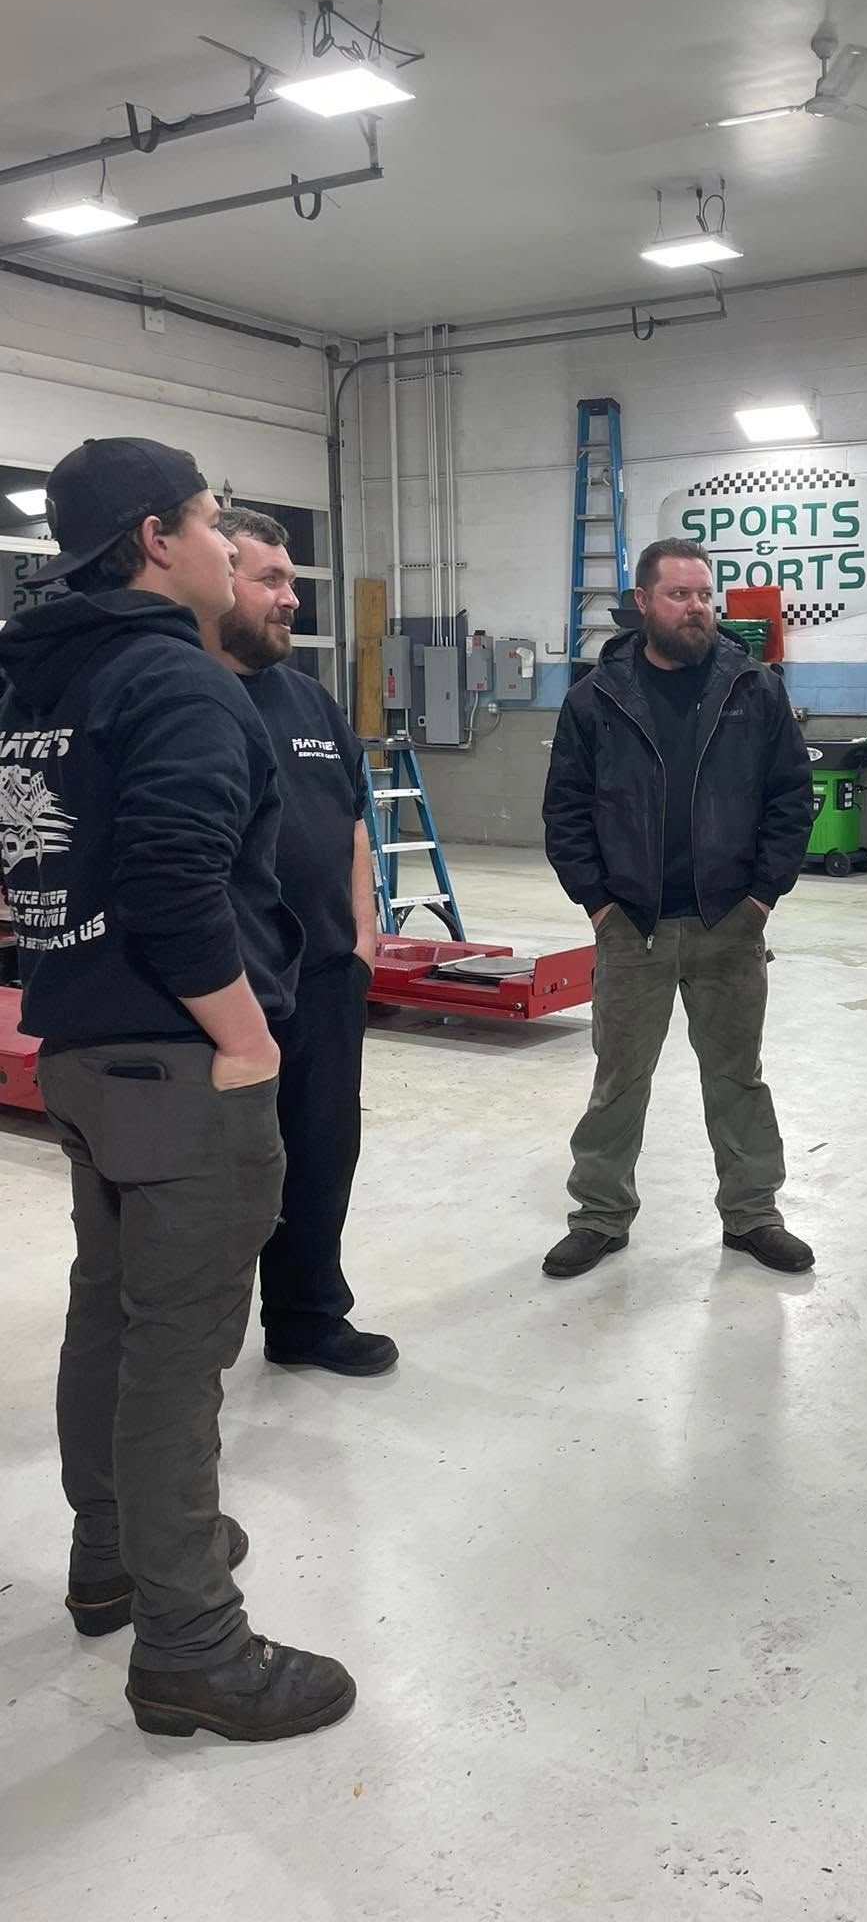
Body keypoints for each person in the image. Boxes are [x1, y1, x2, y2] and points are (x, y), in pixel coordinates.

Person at [0, 438, 355, 1741]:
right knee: (177, 1352)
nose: (224, 542)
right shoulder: (175, 680)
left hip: (82, 1050)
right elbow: (168, 875)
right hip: (176, 1062)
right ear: (157, 538)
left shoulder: (42, 679)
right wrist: (246, 1038)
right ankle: (192, 1643)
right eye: (211, 521)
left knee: (111, 1312)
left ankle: (113, 1552)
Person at [541, 537, 815, 1278]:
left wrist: (761, 897)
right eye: (679, 594)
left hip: (730, 921)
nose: (697, 608)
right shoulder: (596, 699)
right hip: (632, 925)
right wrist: (599, 906)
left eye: (704, 595)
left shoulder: (753, 688)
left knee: (737, 1077)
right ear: (643, 603)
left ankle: (752, 1214)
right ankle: (600, 1215)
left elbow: (791, 798)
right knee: (618, 1080)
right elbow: (566, 811)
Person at [199, 508, 396, 1378]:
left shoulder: (309, 697)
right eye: (270, 580)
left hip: (322, 975)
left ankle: (308, 1318)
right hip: (222, 987)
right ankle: (190, 1351)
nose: (290, 600)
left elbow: (351, 822)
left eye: (293, 581)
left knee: (320, 1154)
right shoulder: (184, 694)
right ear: (217, 579)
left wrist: (362, 940)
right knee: (216, 1176)